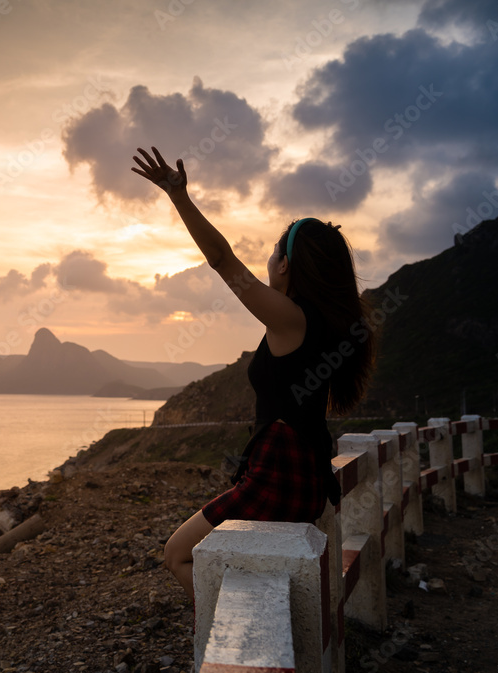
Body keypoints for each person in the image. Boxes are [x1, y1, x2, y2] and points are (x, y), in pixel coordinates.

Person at [130, 146, 376, 601]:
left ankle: (242, 645)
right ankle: (266, 632)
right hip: (305, 478)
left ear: (285, 266)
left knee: (177, 554)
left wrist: (178, 196)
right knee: (256, 572)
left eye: (273, 252)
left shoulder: (291, 319)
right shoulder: (331, 324)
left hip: (277, 478)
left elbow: (222, 260)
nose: (267, 261)